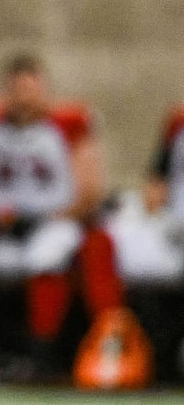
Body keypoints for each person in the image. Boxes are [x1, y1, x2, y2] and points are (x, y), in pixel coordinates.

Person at [0, 52, 131, 381]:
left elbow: (88, 192)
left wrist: (41, 217)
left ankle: (42, 350)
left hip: (51, 222)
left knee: (48, 252)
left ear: (44, 90)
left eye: (30, 89)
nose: (24, 98)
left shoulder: (69, 125)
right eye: (17, 90)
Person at [102, 102, 184, 385]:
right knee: (126, 252)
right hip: (175, 232)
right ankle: (148, 354)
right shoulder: (178, 124)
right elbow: (154, 190)